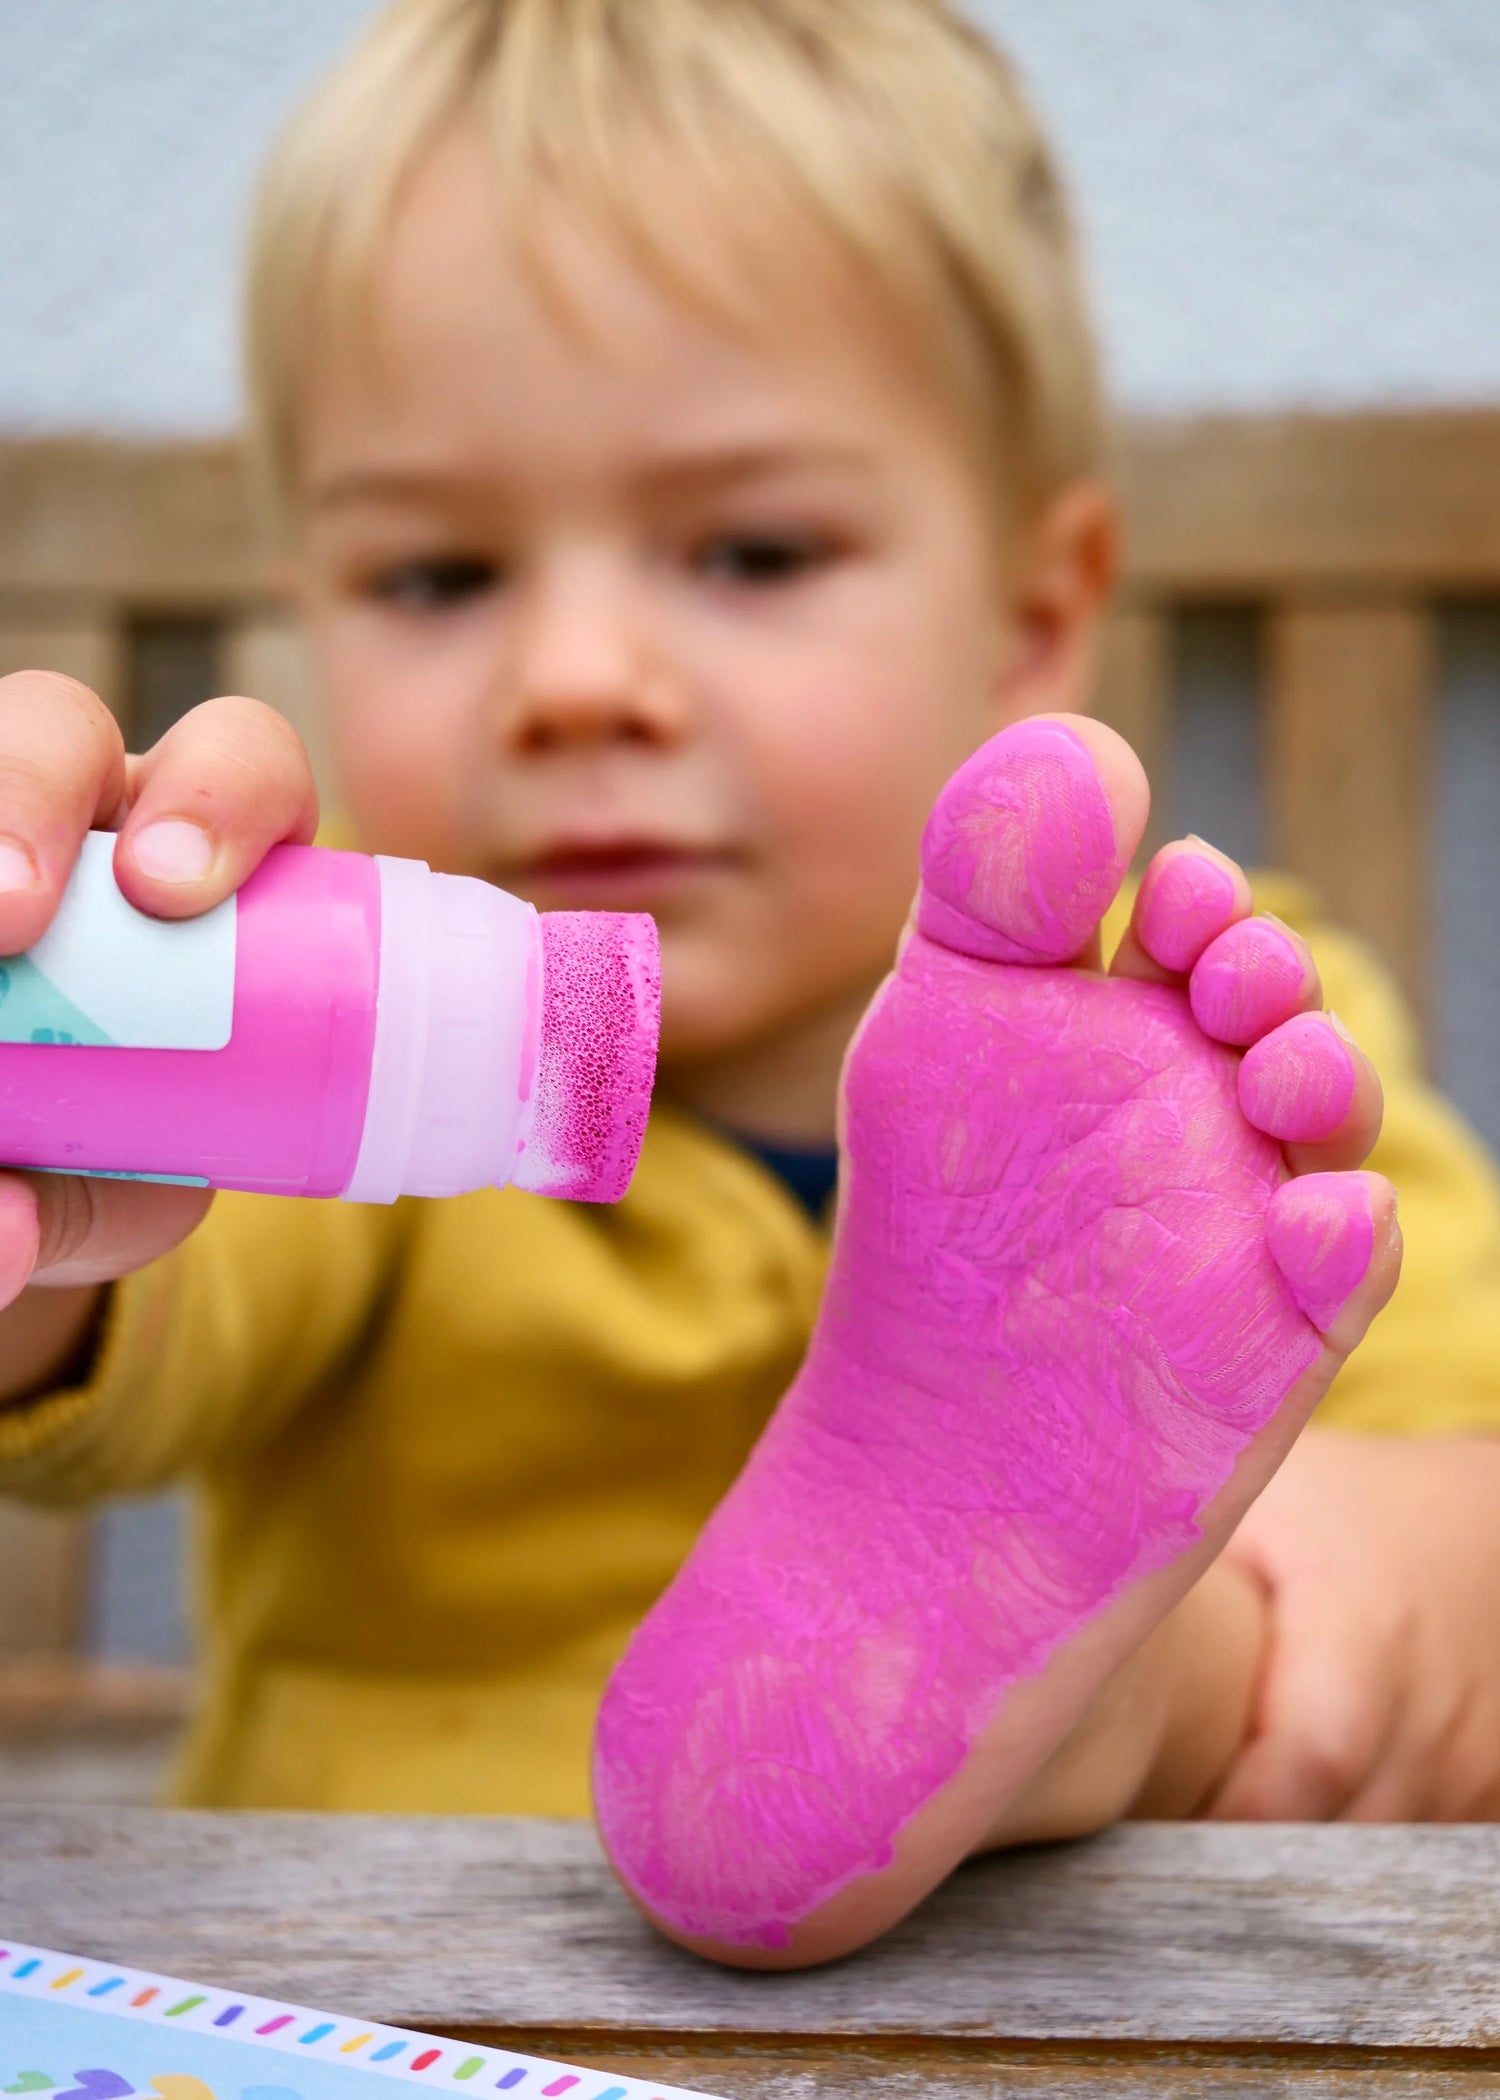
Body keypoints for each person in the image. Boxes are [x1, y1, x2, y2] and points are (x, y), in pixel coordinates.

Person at [1, 0, 1498, 1967]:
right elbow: (177, 1295)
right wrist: (54, 1130)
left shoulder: (1179, 1044)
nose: (575, 681)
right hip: (380, 2002)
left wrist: (1390, 1571)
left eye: (751, 549)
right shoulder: (345, 1058)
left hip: (1095, 1989)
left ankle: (1076, 1686)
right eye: (439, 579)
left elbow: (1448, 1445)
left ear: (1037, 614)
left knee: (1412, 1545)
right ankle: (1040, 1662)